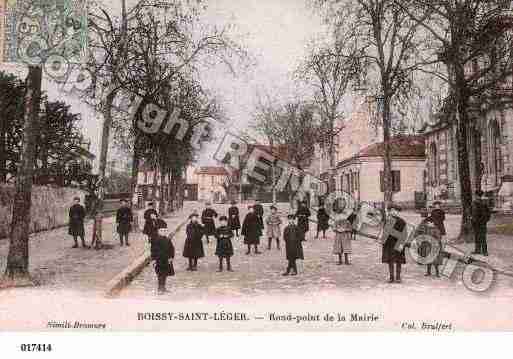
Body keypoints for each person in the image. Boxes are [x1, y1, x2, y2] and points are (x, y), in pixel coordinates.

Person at [381, 204, 407, 283]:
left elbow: (404, 234)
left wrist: (402, 244)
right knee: (390, 260)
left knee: (398, 260)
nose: (393, 212)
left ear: (398, 212)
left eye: (395, 211)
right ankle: (391, 277)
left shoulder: (402, 221)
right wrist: (382, 240)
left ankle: (398, 277)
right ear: (390, 212)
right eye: (391, 211)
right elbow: (385, 232)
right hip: (389, 244)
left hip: (398, 243)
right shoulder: (387, 221)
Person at [150, 220, 175, 295]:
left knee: (165, 274)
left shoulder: (167, 239)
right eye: (161, 230)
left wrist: (171, 257)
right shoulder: (155, 240)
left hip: (166, 260)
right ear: (158, 231)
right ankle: (160, 288)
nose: (163, 232)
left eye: (165, 230)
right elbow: (153, 250)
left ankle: (163, 287)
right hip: (159, 260)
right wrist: (154, 259)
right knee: (160, 275)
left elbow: (171, 248)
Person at [472, 191, 491, 256]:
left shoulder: (475, 203)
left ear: (476, 195)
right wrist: (486, 220)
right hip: (482, 223)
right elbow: (488, 213)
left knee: (478, 236)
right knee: (482, 237)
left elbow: (474, 213)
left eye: (476, 195)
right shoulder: (484, 203)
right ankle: (483, 251)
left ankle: (480, 250)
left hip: (477, 222)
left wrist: (473, 220)